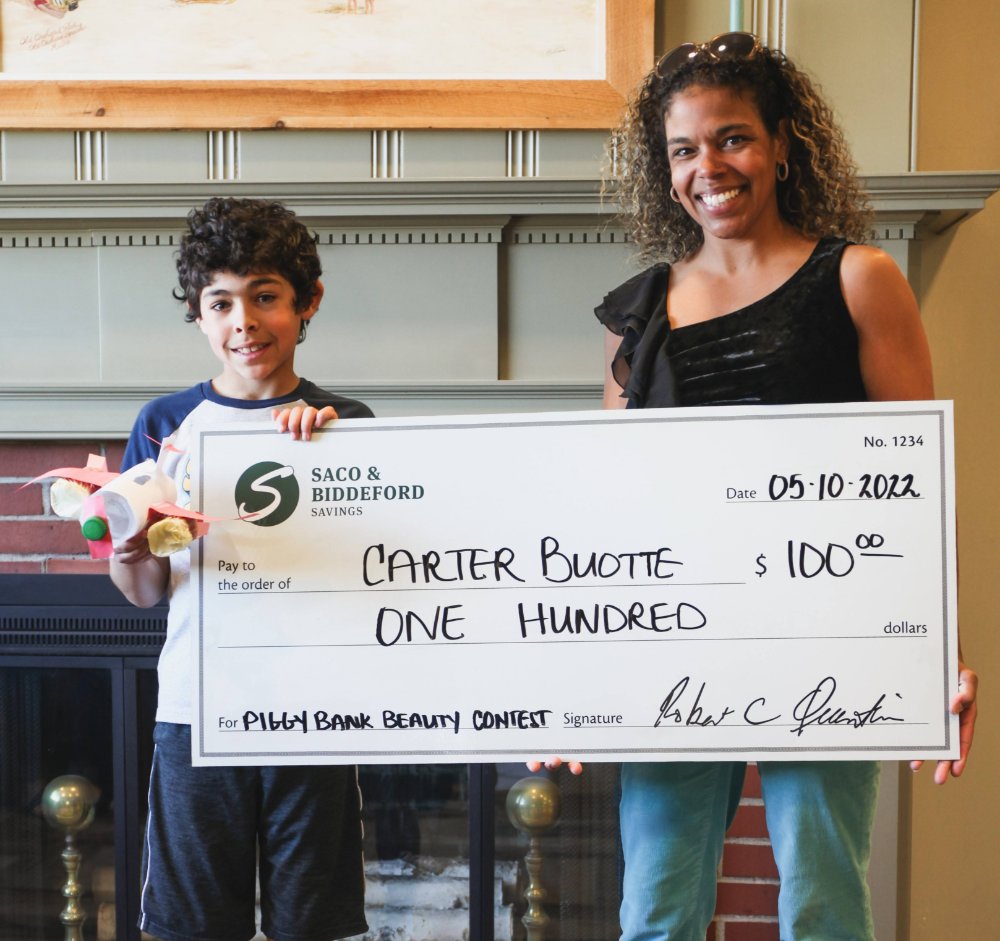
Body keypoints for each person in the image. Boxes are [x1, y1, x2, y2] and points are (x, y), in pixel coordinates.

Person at [538, 31, 979, 941]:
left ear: (782, 144)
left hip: (830, 637)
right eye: (683, 150)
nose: (708, 167)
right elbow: (608, 514)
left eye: (732, 138)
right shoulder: (638, 315)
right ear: (664, 170)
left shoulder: (858, 279)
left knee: (824, 901)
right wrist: (574, 676)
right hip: (676, 643)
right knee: (656, 911)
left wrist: (942, 650)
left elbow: (915, 488)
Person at [110, 197, 372, 941]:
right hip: (197, 711)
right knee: (193, 923)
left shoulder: (347, 424)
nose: (244, 322)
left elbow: (372, 567)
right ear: (198, 314)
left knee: (312, 922)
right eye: (221, 302)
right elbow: (143, 591)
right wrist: (130, 549)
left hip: (315, 714)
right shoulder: (163, 425)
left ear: (307, 301)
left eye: (265, 297)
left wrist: (332, 451)